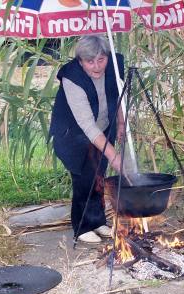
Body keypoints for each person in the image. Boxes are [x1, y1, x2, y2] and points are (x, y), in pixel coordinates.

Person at [49, 35, 125, 244]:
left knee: (98, 175)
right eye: (90, 61)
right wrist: (114, 156)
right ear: (80, 61)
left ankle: (97, 221)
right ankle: (81, 227)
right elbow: (87, 125)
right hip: (73, 134)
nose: (97, 66)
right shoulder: (71, 78)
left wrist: (120, 123)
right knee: (83, 178)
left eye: (101, 60)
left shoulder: (114, 66)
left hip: (102, 128)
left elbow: (117, 95)